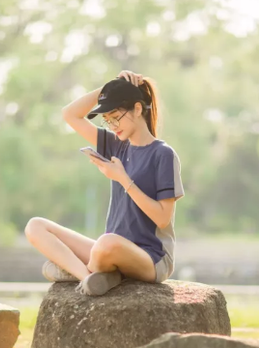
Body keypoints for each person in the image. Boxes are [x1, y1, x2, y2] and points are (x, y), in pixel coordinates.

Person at [24, 70, 184, 296]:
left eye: (115, 117)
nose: (112, 125)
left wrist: (122, 178)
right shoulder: (117, 144)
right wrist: (107, 88)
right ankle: (89, 277)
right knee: (35, 226)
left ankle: (77, 270)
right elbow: (69, 114)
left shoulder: (163, 154)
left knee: (106, 243)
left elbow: (162, 217)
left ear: (138, 109)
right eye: (107, 120)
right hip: (109, 250)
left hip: (151, 258)